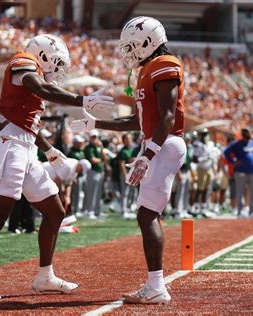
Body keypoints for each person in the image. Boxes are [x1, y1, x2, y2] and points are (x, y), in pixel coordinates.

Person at [0, 34, 114, 301]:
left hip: (26, 149)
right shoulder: (24, 61)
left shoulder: (31, 75)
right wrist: (82, 101)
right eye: (55, 61)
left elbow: (26, 123)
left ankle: (45, 276)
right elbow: (40, 89)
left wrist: (51, 150)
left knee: (55, 212)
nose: (57, 68)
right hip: (12, 150)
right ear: (42, 54)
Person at [71, 16, 186, 304]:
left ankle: (157, 286)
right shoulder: (147, 69)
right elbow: (138, 121)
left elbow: (168, 118)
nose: (128, 52)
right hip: (155, 143)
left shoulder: (163, 64)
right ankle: (155, 284)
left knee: (146, 215)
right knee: (148, 214)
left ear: (149, 42)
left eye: (132, 46)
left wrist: (148, 155)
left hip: (164, 144)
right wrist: (94, 124)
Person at [224, 128, 253, 217]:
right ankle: (239, 210)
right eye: (245, 133)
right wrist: (233, 162)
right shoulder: (237, 143)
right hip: (241, 171)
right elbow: (226, 152)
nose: (247, 134)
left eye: (248, 132)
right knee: (239, 191)